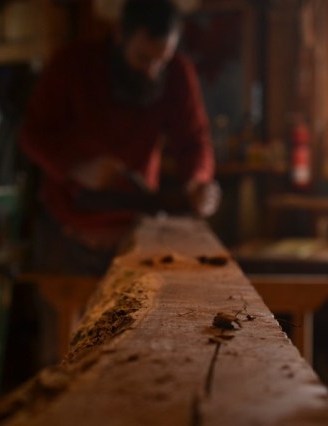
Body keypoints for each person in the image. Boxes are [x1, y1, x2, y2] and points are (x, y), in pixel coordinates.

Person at [20, 0, 220, 275]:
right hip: (69, 228)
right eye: (143, 58)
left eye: (161, 60)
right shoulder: (72, 63)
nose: (152, 70)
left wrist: (198, 182)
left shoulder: (177, 72)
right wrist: (77, 167)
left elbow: (194, 141)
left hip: (137, 226)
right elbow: (32, 134)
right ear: (119, 35)